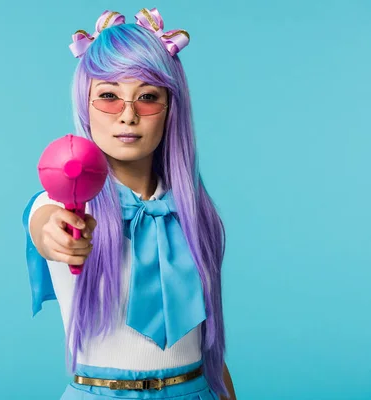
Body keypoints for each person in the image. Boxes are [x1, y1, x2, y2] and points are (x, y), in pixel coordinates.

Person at [22, 8, 237, 400]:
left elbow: (209, 348)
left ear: (171, 108)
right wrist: (57, 233)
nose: (128, 115)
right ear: (85, 104)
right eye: (107, 96)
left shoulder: (195, 213)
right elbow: (46, 224)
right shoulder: (65, 203)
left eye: (148, 97)